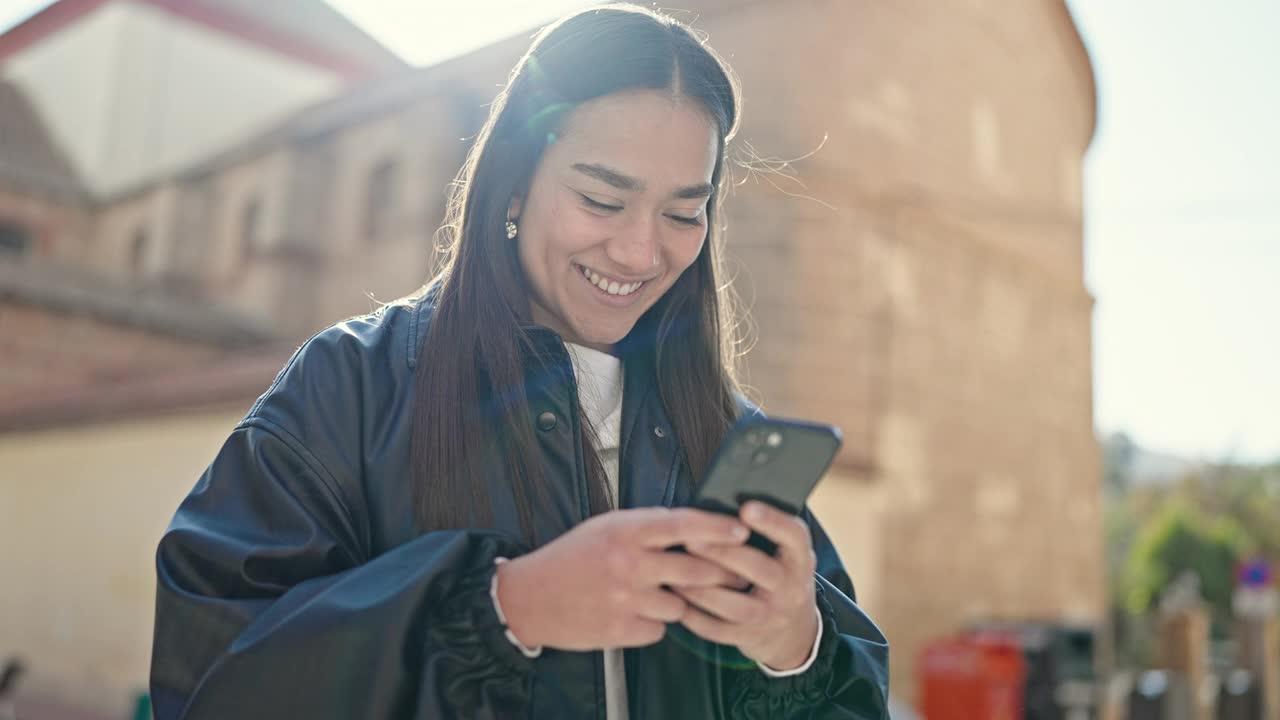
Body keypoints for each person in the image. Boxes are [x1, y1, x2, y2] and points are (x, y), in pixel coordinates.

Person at [149, 4, 889, 718]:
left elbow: (856, 701)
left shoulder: (725, 430)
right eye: (601, 199)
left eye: (682, 213)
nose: (640, 252)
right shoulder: (352, 386)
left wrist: (795, 650)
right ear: (514, 181)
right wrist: (507, 609)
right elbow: (214, 681)